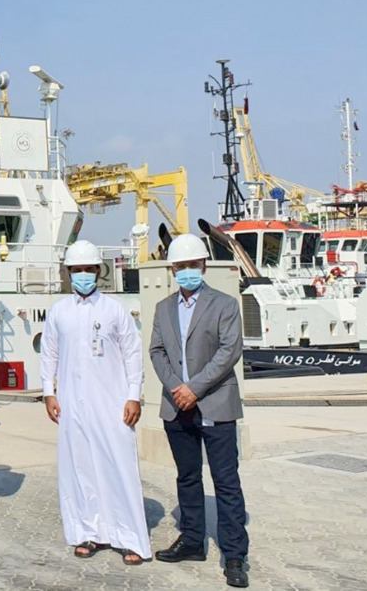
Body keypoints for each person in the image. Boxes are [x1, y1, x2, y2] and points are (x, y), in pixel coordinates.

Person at [40, 240, 150, 565]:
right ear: (69, 273)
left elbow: (133, 354)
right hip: (73, 403)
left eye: (89, 269)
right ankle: (89, 532)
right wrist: (49, 391)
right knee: (80, 467)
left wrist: (134, 395)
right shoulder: (59, 310)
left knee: (119, 466)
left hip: (112, 402)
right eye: (77, 270)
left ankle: (129, 538)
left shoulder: (114, 309)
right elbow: (49, 353)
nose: (83, 275)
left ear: (98, 271)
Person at [149, 233, 249, 588]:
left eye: (193, 265)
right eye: (181, 266)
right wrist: (177, 386)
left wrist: (195, 388)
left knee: (226, 482)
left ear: (203, 266)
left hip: (215, 403)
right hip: (177, 406)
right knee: (187, 478)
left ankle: (235, 554)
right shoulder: (163, 308)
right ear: (172, 269)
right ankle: (192, 541)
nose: (187, 271)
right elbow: (157, 350)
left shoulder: (224, 304)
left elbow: (229, 351)